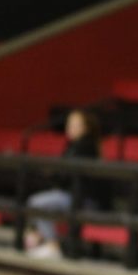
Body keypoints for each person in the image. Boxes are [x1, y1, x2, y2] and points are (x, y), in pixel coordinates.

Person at [25, 108, 103, 259]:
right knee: (41, 205)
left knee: (36, 203)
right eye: (69, 124)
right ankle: (39, 238)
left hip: (82, 200)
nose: (70, 128)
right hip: (71, 196)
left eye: (75, 124)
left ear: (86, 127)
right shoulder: (73, 146)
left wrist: (54, 174)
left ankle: (52, 245)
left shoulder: (85, 147)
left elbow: (68, 176)